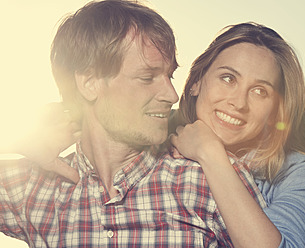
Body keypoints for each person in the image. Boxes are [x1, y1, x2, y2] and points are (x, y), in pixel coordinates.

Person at [0, 1, 265, 247]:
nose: (171, 95)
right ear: (89, 82)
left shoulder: (211, 177)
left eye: (169, 75)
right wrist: (16, 138)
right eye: (147, 77)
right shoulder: (31, 187)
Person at [170, 22, 305, 247]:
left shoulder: (297, 171)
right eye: (228, 78)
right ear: (196, 83)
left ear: (275, 111)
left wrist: (211, 155)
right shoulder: (154, 131)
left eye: (260, 91)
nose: (239, 103)